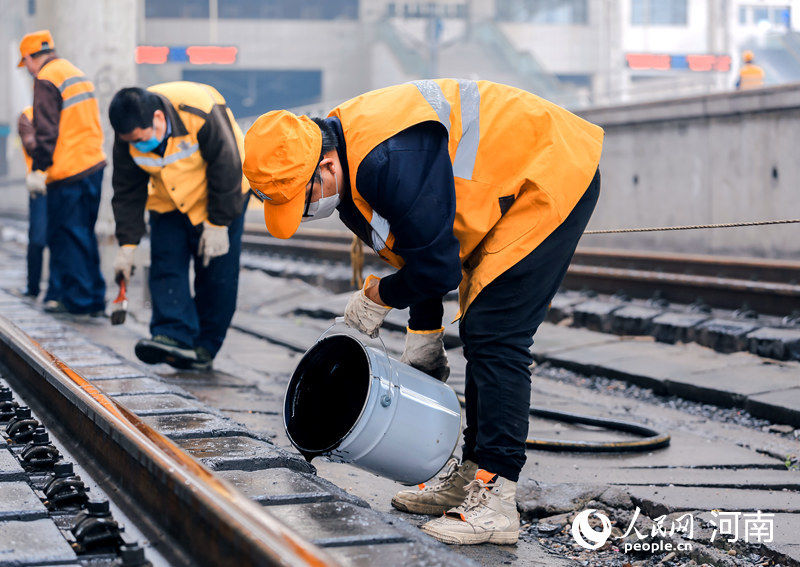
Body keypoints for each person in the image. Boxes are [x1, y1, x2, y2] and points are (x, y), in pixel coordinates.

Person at [242, 79, 603, 545]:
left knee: (496, 334)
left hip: (548, 173)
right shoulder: (347, 164)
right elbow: (418, 246)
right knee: (481, 328)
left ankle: (495, 499)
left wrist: (377, 299)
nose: (307, 212)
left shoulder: (385, 160)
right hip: (513, 185)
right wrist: (424, 330)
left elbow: (438, 268)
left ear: (325, 165)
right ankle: (474, 472)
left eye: (303, 199)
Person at [108, 82, 250, 371]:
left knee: (217, 276)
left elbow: (228, 165)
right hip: (168, 201)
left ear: (159, 118)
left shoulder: (199, 111)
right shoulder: (126, 136)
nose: (136, 146)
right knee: (165, 264)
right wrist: (127, 245)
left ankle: (204, 347)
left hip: (222, 196)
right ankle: (172, 336)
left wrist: (218, 224)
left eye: (140, 139)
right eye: (130, 141)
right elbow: (127, 192)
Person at [18, 30, 106, 315]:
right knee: (85, 235)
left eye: (26, 63)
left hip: (68, 172)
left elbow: (46, 131)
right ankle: (94, 299)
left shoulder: (47, 79)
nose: (28, 70)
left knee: (68, 237)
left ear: (31, 57)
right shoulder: (75, 73)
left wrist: (39, 169)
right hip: (93, 166)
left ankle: (78, 302)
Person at [17, 106, 60, 303]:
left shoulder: (66, 112)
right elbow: (31, 144)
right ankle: (32, 286)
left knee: (60, 239)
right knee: (37, 239)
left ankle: (56, 291)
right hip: (40, 184)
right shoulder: (28, 115)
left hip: (62, 181)